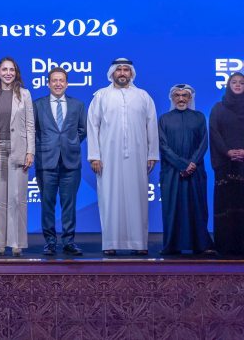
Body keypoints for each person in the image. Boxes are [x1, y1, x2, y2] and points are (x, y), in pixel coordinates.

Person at [87, 58, 159, 256]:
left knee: (138, 199)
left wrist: (152, 154)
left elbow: (151, 126)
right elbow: (92, 126)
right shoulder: (101, 96)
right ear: (112, 73)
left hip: (138, 157)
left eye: (126, 69)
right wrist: (94, 156)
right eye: (118, 69)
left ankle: (139, 243)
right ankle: (110, 243)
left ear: (131, 73)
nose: (122, 73)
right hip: (107, 158)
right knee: (110, 198)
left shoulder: (143, 96)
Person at [0, 57, 34, 257]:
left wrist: (30, 151)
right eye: (4, 69)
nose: (8, 73)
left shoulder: (24, 94)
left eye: (11, 70)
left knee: (17, 198)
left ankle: (16, 243)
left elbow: (30, 125)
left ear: (16, 72)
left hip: (18, 149)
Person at [33, 67, 87, 256]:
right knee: (47, 204)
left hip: (70, 162)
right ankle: (49, 242)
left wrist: (70, 143)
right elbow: (33, 131)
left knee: (69, 204)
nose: (58, 84)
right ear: (48, 84)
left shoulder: (77, 105)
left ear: (67, 83)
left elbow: (82, 130)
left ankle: (68, 242)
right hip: (46, 162)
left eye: (61, 80)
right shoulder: (37, 105)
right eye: (54, 80)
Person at [158, 84, 215, 255]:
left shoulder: (199, 117)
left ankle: (201, 245)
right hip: (172, 172)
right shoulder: (164, 119)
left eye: (185, 95)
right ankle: (171, 245)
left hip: (195, 171)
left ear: (190, 98)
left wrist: (191, 163)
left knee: (197, 207)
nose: (181, 99)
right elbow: (163, 146)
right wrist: (182, 164)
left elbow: (203, 143)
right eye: (177, 95)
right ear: (172, 98)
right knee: (172, 209)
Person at [210, 72, 244, 256]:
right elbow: (214, 133)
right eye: (234, 82)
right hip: (225, 164)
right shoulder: (218, 108)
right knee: (226, 204)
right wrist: (227, 152)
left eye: (241, 83)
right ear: (228, 85)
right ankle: (225, 246)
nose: (238, 85)